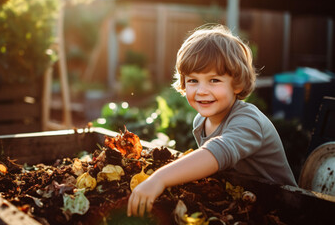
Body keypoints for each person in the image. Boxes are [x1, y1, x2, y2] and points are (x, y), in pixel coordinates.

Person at [127, 24, 297, 217]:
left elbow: (217, 153)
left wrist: (159, 179)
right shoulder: (201, 122)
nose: (201, 91)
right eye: (193, 80)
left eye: (214, 80)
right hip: (242, 204)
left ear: (237, 84)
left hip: (283, 209)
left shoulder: (248, 120)